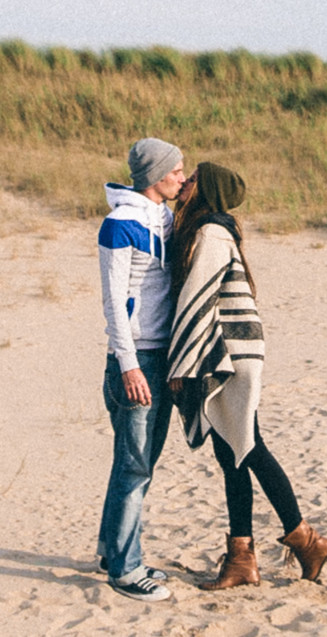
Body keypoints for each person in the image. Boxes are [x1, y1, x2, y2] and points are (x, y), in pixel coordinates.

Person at [166, 162, 327, 589]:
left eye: (192, 179)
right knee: (232, 453)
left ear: (206, 189)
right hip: (226, 350)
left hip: (229, 354)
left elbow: (197, 298)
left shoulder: (211, 233)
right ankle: (242, 558)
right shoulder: (211, 229)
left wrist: (180, 364)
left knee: (248, 446)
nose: (184, 183)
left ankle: (306, 540)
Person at [97, 136, 187, 601]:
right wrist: (129, 366)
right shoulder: (119, 224)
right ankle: (126, 571)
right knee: (134, 466)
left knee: (138, 464)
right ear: (154, 176)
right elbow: (114, 303)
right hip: (134, 361)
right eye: (176, 172)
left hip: (161, 356)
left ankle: (113, 551)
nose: (183, 179)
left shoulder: (165, 218)